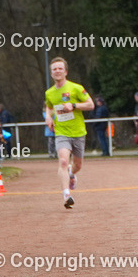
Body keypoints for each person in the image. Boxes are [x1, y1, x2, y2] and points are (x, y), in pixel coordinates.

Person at [44, 57, 93, 209]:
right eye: (54, 69)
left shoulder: (76, 88)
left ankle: (72, 174)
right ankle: (66, 194)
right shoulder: (49, 93)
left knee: (77, 165)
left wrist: (73, 105)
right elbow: (50, 106)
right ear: (51, 73)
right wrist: (48, 116)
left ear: (65, 71)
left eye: (60, 68)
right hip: (61, 131)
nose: (57, 71)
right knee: (63, 161)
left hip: (78, 131)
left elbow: (90, 105)